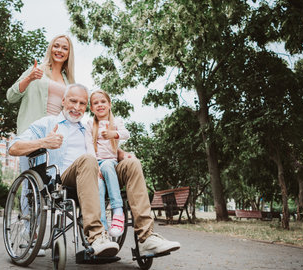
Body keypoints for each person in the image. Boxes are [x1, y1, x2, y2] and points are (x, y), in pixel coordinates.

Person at [9, 83, 181, 257]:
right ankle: (97, 236)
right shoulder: (48, 123)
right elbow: (13, 147)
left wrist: (122, 154)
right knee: (88, 160)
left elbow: (106, 149)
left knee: (132, 164)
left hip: (99, 174)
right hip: (65, 179)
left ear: (86, 107)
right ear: (63, 101)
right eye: (73, 101)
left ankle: (147, 238)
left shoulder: (89, 127)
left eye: (82, 103)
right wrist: (44, 142)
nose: (77, 108)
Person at [6, 35, 74, 255]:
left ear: (68, 53)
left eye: (64, 48)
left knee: (55, 187)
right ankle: (30, 233)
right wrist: (28, 80)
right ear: (50, 48)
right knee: (29, 187)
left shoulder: (68, 81)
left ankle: (55, 234)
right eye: (56, 45)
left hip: (56, 137)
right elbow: (11, 96)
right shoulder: (36, 69)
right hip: (32, 133)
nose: (60, 50)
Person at [85, 90, 129, 237]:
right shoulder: (90, 124)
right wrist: (95, 166)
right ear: (91, 108)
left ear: (109, 104)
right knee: (99, 185)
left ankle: (117, 210)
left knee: (108, 165)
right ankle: (102, 226)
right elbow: (89, 146)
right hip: (97, 164)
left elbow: (126, 134)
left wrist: (113, 134)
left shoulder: (116, 122)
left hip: (111, 164)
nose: (100, 105)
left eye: (103, 101)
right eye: (95, 103)